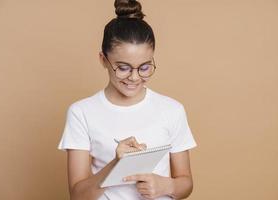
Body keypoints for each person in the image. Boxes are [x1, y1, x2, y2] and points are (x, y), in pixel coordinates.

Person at [58, 0, 197, 199]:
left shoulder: (171, 110)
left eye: (144, 67)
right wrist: (117, 165)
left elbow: (186, 183)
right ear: (103, 60)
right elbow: (78, 195)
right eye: (123, 67)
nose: (134, 77)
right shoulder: (81, 112)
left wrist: (165, 186)